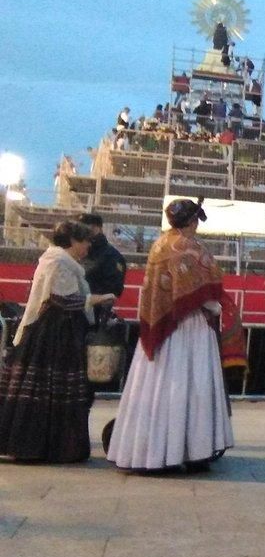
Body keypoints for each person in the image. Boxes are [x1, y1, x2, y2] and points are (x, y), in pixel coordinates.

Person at [106, 199, 234, 471]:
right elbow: (205, 294)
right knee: (193, 387)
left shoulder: (160, 244)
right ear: (192, 221)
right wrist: (218, 308)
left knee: (155, 388)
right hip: (191, 328)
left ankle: (151, 453)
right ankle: (191, 451)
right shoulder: (190, 248)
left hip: (162, 327)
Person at [0, 221, 116, 462]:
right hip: (53, 333)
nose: (87, 246)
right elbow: (63, 300)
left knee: (45, 390)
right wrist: (100, 298)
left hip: (56, 331)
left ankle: (40, 446)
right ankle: (46, 446)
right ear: (73, 241)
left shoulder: (59, 261)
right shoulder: (58, 263)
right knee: (53, 390)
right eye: (85, 241)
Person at [78, 213, 127, 319]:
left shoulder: (112, 256)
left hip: (93, 313)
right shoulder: (76, 250)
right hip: (73, 310)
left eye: (85, 228)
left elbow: (114, 289)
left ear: (97, 228)